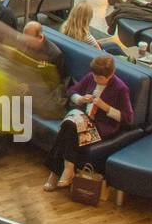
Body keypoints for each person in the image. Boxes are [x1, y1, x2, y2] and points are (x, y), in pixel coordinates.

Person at [43, 54, 134, 191]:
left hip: (102, 127)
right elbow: (71, 91)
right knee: (70, 126)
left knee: (69, 127)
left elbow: (128, 118)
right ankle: (68, 169)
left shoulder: (121, 89)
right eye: (95, 76)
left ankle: (56, 173)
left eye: (100, 78)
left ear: (110, 75)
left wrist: (105, 107)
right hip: (83, 118)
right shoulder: (91, 77)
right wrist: (80, 99)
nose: (96, 79)